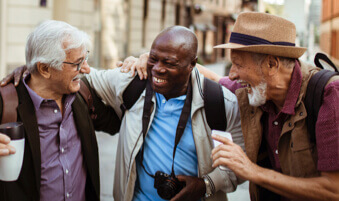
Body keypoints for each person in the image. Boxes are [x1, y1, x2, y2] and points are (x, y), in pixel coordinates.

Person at [85, 26, 244, 201]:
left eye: (169, 63)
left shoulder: (222, 103)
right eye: (153, 59)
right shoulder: (132, 82)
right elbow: (87, 78)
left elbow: (238, 168)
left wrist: (205, 184)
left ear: (192, 64)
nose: (158, 69)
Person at [207, 12, 339, 201]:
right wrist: (150, 60)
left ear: (271, 64)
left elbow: (334, 190)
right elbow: (211, 79)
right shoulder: (255, 89)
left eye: (238, 64)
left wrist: (252, 171)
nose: (232, 74)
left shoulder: (330, 95)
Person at [0, 20, 120, 201]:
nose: (86, 69)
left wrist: (143, 64)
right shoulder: (5, 103)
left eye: (85, 58)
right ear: (45, 69)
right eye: (77, 63)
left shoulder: (82, 94)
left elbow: (117, 123)